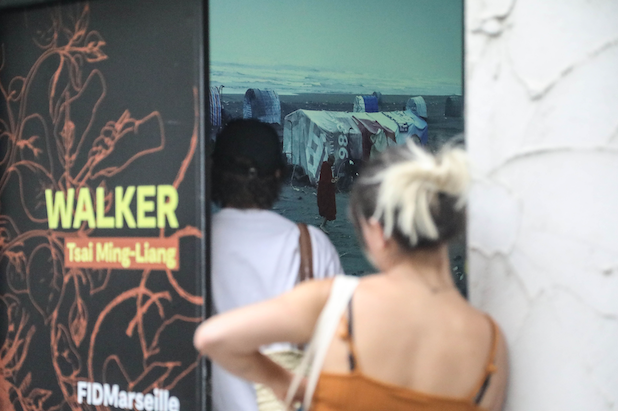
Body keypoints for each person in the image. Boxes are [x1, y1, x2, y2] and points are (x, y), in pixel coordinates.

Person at [195, 141, 508, 411]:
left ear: (379, 232)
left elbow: (213, 338)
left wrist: (284, 382)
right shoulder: (492, 344)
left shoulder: (336, 303)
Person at [209, 119, 343, 411]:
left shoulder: (193, 242)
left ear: (213, 172)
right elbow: (338, 355)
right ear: (278, 175)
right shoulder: (312, 247)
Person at [317, 155, 337, 232]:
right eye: (332, 162)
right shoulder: (326, 167)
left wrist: (332, 179)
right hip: (325, 191)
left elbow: (327, 178)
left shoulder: (326, 166)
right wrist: (332, 181)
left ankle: (323, 224)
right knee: (327, 208)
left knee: (328, 208)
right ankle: (322, 225)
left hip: (327, 190)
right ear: (330, 161)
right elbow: (325, 180)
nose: (333, 164)